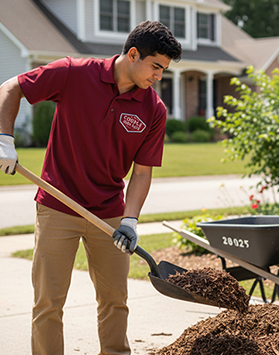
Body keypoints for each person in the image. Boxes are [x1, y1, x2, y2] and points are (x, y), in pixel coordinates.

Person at [0, 21, 182, 355]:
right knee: (48, 302)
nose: (159, 77)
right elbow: (11, 88)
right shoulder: (73, 73)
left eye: (164, 70)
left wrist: (130, 221)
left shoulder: (153, 110)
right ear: (132, 54)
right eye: (156, 67)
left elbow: (141, 173)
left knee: (115, 300)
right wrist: (5, 140)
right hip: (57, 206)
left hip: (110, 214)